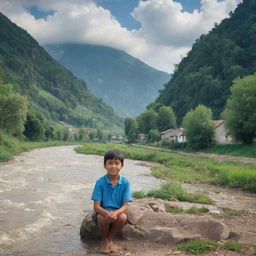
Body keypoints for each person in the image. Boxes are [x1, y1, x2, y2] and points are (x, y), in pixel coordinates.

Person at [91, 149, 132, 254]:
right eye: (110, 163)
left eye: (117, 163)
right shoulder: (100, 182)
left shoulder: (126, 183)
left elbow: (125, 206)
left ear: (122, 166)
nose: (113, 166)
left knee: (123, 217)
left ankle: (109, 238)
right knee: (102, 217)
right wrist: (107, 213)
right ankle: (105, 240)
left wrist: (115, 213)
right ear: (105, 166)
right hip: (102, 212)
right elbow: (96, 207)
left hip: (117, 212)